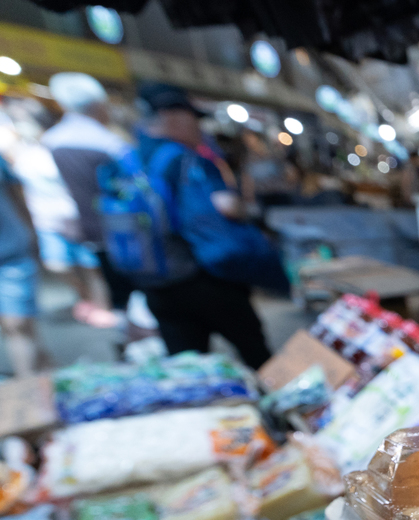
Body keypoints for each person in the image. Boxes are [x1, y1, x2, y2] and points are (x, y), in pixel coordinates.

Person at [132, 83, 272, 369]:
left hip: (156, 281)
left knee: (190, 368)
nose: (199, 128)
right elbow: (226, 206)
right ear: (174, 117)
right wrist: (247, 209)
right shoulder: (185, 160)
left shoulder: (130, 158)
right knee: (258, 356)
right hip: (205, 277)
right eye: (194, 119)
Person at [42, 72, 131, 325]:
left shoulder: (51, 141)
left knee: (110, 287)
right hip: (121, 232)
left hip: (85, 230)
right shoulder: (109, 143)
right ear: (97, 105)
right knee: (128, 293)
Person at [0, 153, 52, 376]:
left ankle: (29, 394)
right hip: (13, 249)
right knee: (19, 329)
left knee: (18, 325)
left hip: (11, 251)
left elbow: (17, 194)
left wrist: (32, 233)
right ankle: (47, 377)